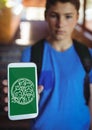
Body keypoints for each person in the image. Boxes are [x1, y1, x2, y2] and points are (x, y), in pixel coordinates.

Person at [2, 0, 92, 129]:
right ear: (45, 16)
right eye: (54, 15)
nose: (60, 24)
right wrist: (26, 102)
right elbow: (26, 104)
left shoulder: (87, 55)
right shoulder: (31, 54)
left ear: (77, 17)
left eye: (68, 16)